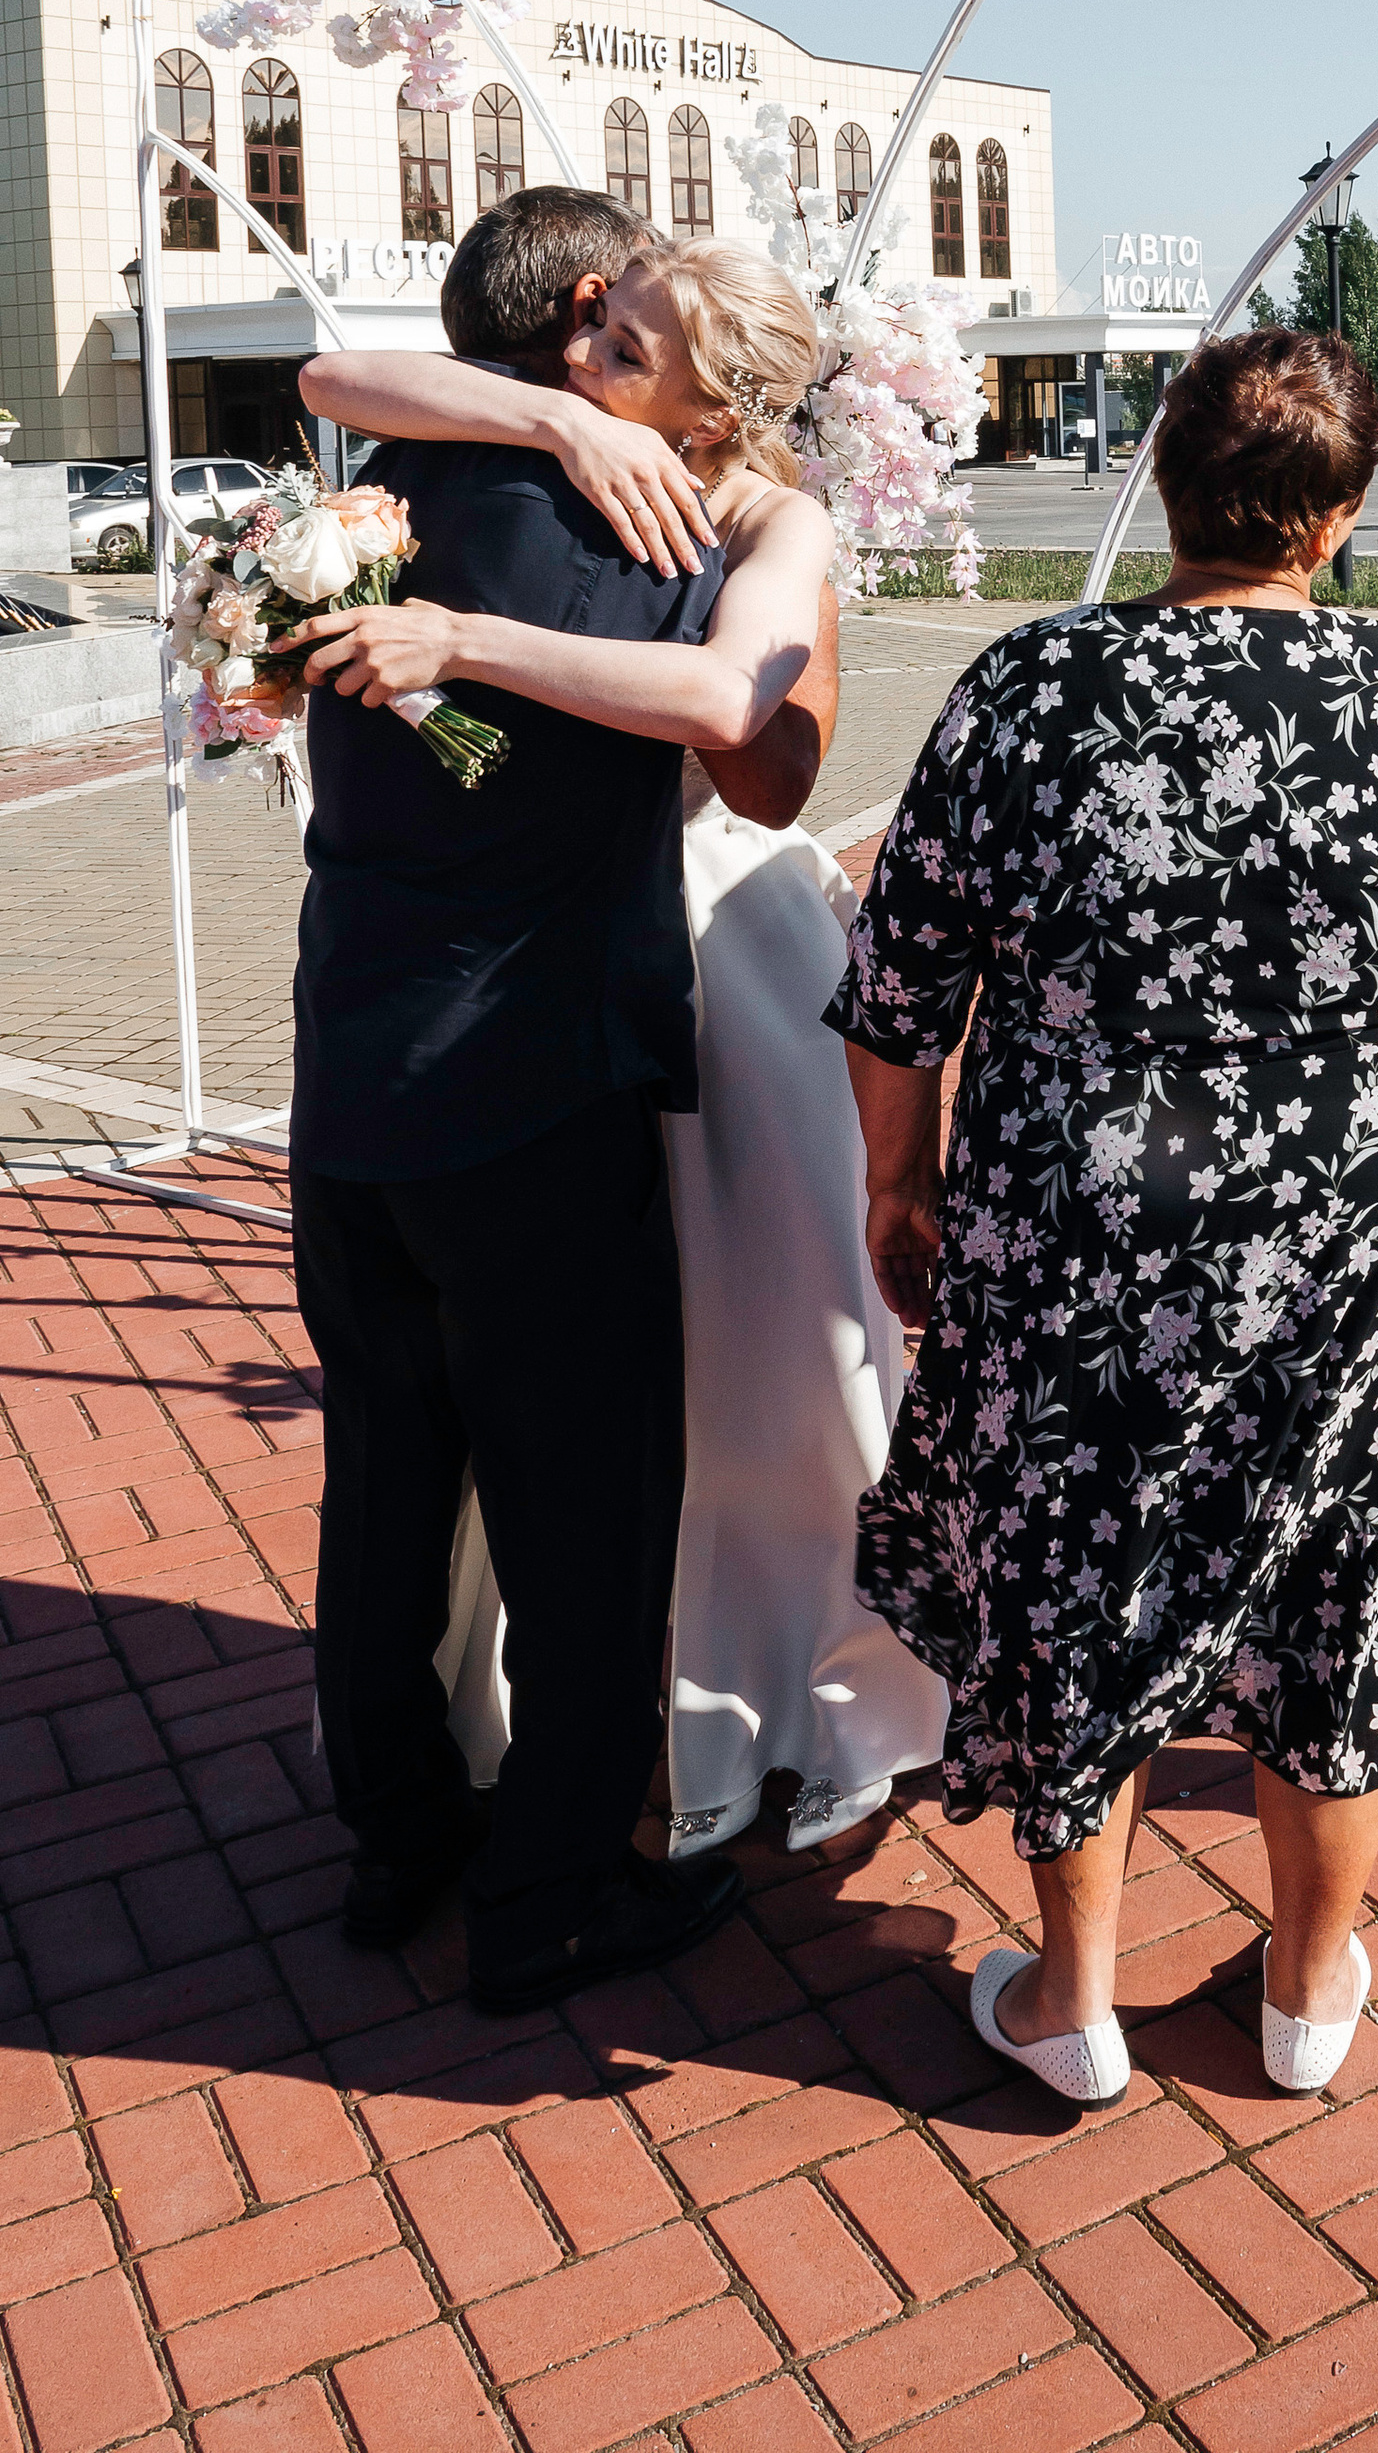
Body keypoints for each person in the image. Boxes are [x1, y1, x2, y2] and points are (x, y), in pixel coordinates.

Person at [833, 331, 1378, 2107]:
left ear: (1166, 476)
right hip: (1340, 1222)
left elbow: (901, 985)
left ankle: (1074, 2001)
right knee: (1334, 1572)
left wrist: (897, 1182)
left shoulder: (1032, 683)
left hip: (1084, 1215)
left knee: (1077, 1563)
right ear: (1341, 519)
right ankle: (1305, 1991)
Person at [299, 202, 946, 1876]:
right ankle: (540, 1745)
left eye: (623, 345)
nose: (582, 357)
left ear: (717, 410)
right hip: (550, 968)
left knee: (766, 1355)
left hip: (709, 947)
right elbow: (330, 375)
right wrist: (568, 424)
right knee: (553, 1394)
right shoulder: (537, 441)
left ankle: (777, 1684)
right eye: (591, 328)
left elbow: (753, 733)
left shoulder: (768, 516)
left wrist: (463, 639)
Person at [283, 187, 742, 2014]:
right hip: (534, 1093)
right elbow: (745, 727)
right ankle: (546, 1893)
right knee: (580, 1519)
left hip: (349, 1082)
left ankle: (397, 1838)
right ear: (582, 315)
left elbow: (333, 371)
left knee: (384, 1485)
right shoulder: (655, 520)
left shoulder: (370, 510)